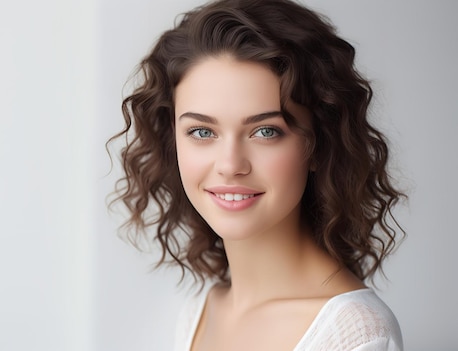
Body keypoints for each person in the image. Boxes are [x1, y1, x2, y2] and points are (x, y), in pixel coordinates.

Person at [108, 0, 406, 350]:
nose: (231, 164)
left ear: (318, 145)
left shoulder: (355, 334)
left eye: (265, 132)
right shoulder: (199, 312)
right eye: (203, 132)